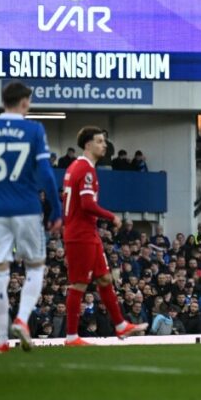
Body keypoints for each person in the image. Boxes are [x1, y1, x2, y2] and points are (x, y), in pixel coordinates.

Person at [0, 82, 62, 353]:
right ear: (25, 102)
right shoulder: (33, 130)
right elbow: (47, 174)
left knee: (0, 272)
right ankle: (22, 318)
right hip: (27, 207)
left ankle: (2, 341)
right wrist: (56, 209)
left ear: (3, 100)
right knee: (36, 266)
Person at [62, 126, 147, 346]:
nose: (104, 145)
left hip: (86, 232)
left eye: (104, 141)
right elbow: (87, 204)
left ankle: (120, 325)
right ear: (88, 144)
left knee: (105, 278)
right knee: (79, 284)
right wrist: (112, 217)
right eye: (100, 141)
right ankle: (71, 336)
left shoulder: (75, 167)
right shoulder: (85, 169)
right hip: (81, 234)